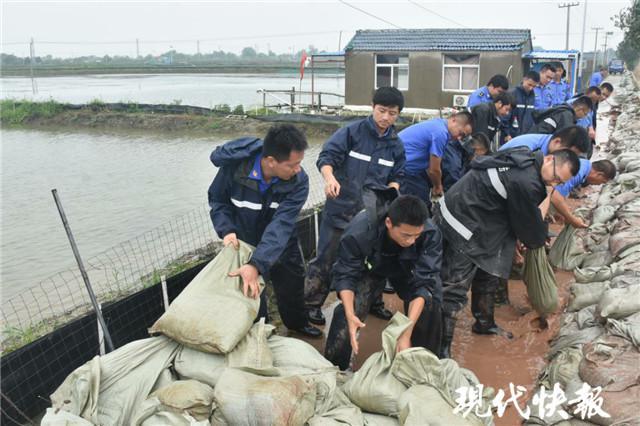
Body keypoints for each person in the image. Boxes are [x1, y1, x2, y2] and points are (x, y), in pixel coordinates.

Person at [434, 147, 581, 358]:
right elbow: (531, 230)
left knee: (489, 272)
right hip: (464, 218)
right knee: (455, 286)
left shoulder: (529, 158)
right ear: (549, 159)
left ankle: (484, 323)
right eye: (555, 178)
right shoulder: (525, 181)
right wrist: (535, 240)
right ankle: (441, 347)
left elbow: (522, 217)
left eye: (559, 182)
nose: (554, 184)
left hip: (484, 215)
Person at [208, 124, 322, 338]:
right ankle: (261, 333)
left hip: (282, 242)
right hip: (246, 242)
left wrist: (257, 264)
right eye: (293, 164)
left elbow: (281, 225)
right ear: (271, 161)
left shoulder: (299, 181)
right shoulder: (235, 170)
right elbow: (218, 200)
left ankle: (297, 324)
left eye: (300, 163)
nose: (298, 169)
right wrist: (227, 230)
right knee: (251, 293)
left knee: (292, 284)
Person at [304, 87, 406, 326]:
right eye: (382, 111)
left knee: (374, 263)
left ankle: (372, 303)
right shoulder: (351, 133)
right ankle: (310, 306)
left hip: (373, 216)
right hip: (341, 208)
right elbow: (326, 157)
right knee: (326, 258)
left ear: (398, 114)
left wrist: (392, 193)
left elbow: (398, 175)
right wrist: (330, 179)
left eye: (392, 113)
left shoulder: (396, 145)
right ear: (372, 107)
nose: (386, 118)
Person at [324, 194, 443, 370]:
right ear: (389, 223)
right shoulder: (360, 230)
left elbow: (424, 283)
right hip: (372, 267)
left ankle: (423, 365)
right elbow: (346, 275)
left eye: (416, 236)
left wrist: (406, 331)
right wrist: (350, 313)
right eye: (406, 235)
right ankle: (336, 368)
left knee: (431, 304)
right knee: (349, 313)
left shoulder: (430, 233)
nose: (411, 241)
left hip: (407, 268)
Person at [399, 112, 473, 205]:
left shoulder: (438, 124)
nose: (459, 138)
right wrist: (438, 187)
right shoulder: (440, 133)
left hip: (409, 168)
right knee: (420, 206)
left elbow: (431, 166)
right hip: (404, 170)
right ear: (453, 120)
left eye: (463, 137)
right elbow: (434, 170)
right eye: (460, 133)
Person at [551, 159, 617, 228]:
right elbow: (554, 195)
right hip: (542, 183)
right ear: (599, 174)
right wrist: (572, 219)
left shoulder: (584, 165)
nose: (599, 184)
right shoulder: (578, 172)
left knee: (564, 196)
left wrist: (562, 213)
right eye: (602, 182)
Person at [500, 125, 591, 156]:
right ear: (557, 142)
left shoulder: (549, 147)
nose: (569, 159)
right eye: (569, 154)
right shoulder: (526, 149)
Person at [528, 95, 592, 134]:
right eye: (585, 114)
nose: (584, 117)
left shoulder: (563, 109)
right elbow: (564, 138)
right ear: (580, 109)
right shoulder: (567, 115)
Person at [505, 71, 540, 141]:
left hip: (526, 137)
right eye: (529, 85)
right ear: (524, 80)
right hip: (511, 137)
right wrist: (507, 134)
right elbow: (505, 117)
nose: (531, 88)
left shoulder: (533, 97)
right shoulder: (512, 94)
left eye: (534, 86)